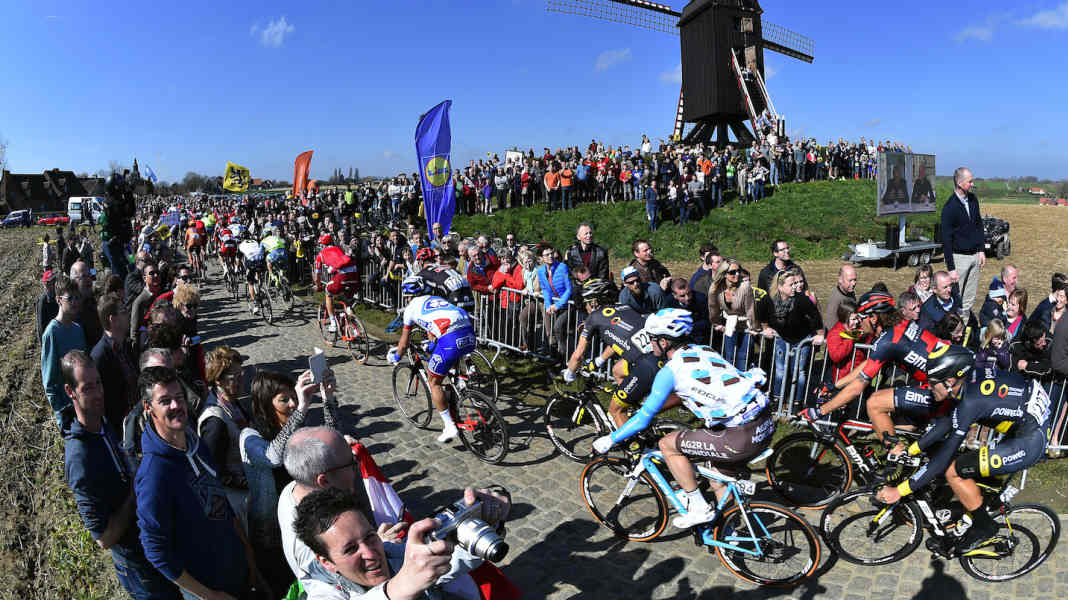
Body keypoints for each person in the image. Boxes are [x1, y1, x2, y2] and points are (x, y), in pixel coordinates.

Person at [593, 309, 774, 528]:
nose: (649, 344)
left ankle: (699, 508)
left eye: (652, 339)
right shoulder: (704, 350)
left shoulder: (670, 371)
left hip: (739, 435)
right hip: (763, 423)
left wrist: (610, 439)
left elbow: (642, 419)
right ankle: (731, 531)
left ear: (665, 341)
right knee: (717, 477)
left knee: (667, 444)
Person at [874, 346, 1051, 554]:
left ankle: (984, 527)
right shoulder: (967, 381)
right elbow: (947, 422)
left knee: (953, 471)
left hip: (1029, 440)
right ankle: (975, 511)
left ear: (949, 382)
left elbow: (942, 458)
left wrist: (899, 490)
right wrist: (911, 450)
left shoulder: (970, 401)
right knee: (967, 468)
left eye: (932, 383)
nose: (928, 387)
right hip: (1025, 419)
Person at [135, 366, 267, 599]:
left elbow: (220, 501)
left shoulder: (195, 443)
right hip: (210, 589)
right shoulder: (154, 474)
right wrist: (208, 595)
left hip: (239, 573)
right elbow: (155, 550)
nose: (176, 406)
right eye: (165, 401)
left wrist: (248, 554)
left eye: (178, 397)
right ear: (149, 408)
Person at [61, 352, 181, 600]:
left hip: (148, 545)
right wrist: (135, 495)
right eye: (88, 388)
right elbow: (104, 538)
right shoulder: (80, 458)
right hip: (136, 565)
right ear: (70, 391)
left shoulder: (101, 423)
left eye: (99, 383)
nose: (98, 393)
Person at [241, 368, 339, 596]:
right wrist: (303, 408)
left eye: (294, 397)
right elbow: (272, 457)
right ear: (266, 404)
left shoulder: (297, 430)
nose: (293, 404)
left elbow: (331, 449)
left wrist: (328, 399)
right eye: (284, 400)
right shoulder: (250, 435)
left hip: (306, 526)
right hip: (272, 535)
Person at [561, 279, 665, 427]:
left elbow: (578, 355)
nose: (586, 307)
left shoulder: (593, 318)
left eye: (586, 302)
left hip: (645, 364)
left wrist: (569, 374)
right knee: (617, 370)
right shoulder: (625, 307)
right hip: (656, 355)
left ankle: (632, 445)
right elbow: (617, 341)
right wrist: (599, 361)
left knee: (615, 410)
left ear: (594, 302)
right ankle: (633, 405)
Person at [388, 276, 477, 443]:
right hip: (469, 332)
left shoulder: (410, 308)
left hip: (450, 338)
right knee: (448, 367)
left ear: (407, 295)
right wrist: (431, 343)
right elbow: (431, 325)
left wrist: (396, 356)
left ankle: (449, 426)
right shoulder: (435, 299)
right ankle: (457, 387)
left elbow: (404, 341)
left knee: (434, 382)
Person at [200, 346, 253, 529]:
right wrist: (247, 483)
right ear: (218, 380)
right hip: (235, 502)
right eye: (234, 378)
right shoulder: (215, 421)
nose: (241, 381)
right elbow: (214, 470)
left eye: (241, 374)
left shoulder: (232, 401)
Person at [755, 270, 824, 403]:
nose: (795, 287)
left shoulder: (801, 299)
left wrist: (820, 335)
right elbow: (762, 315)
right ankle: (777, 400)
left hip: (802, 338)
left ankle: (797, 401)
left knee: (798, 371)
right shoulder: (769, 300)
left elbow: (816, 317)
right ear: (780, 287)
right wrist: (765, 328)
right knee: (780, 370)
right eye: (791, 285)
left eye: (795, 284)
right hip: (782, 337)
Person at [41, 275, 88, 427]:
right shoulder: (52, 333)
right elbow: (49, 381)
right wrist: (62, 412)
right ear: (59, 299)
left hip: (84, 403)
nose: (74, 302)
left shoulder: (78, 329)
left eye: (77, 297)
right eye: (69, 298)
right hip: (68, 411)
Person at [940, 167, 985, 314]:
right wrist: (951, 268)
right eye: (970, 181)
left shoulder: (973, 200)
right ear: (959, 183)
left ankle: (964, 332)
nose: (972, 184)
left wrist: (981, 250)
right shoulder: (949, 208)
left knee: (969, 301)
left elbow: (979, 225)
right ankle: (954, 333)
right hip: (959, 259)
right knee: (956, 300)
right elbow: (946, 240)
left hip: (975, 257)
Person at [91, 293, 138, 429]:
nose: (128, 314)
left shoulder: (127, 345)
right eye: (123, 311)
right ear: (113, 320)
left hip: (136, 418)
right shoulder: (99, 356)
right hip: (119, 427)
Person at [707, 258, 757, 370]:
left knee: (743, 358)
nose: (737, 274)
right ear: (724, 274)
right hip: (729, 325)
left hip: (746, 326)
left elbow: (750, 309)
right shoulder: (715, 288)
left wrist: (755, 328)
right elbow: (713, 307)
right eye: (732, 272)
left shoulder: (745, 286)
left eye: (738, 270)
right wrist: (716, 323)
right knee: (729, 357)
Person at [314, 234, 359, 333]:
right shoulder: (338, 249)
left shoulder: (320, 255)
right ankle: (356, 331)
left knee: (328, 292)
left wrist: (318, 286)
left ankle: (333, 323)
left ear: (322, 245)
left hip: (343, 275)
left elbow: (318, 274)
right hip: (354, 274)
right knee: (347, 304)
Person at [534, 242, 572, 359]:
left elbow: (569, 289)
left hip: (567, 305)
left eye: (551, 253)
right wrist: (548, 305)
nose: (550, 256)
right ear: (541, 258)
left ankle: (563, 358)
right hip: (553, 305)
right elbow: (545, 289)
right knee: (552, 331)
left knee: (558, 328)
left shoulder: (562, 267)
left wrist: (558, 305)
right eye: (547, 255)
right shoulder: (540, 271)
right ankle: (555, 356)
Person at [666, 278, 710, 343]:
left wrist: (691, 327)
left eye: (689, 293)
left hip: (697, 334)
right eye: (682, 296)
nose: (687, 298)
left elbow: (707, 321)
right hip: (677, 335)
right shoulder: (669, 301)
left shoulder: (701, 299)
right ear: (674, 295)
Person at [822, 265, 858, 331]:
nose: (853, 283)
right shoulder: (835, 300)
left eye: (855, 280)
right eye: (850, 280)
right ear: (840, 280)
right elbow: (830, 327)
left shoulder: (849, 292)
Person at [36, 269, 59, 341]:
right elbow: (41, 326)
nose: (54, 283)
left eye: (54, 280)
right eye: (51, 282)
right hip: (51, 338)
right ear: (46, 284)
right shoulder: (43, 301)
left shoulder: (59, 296)